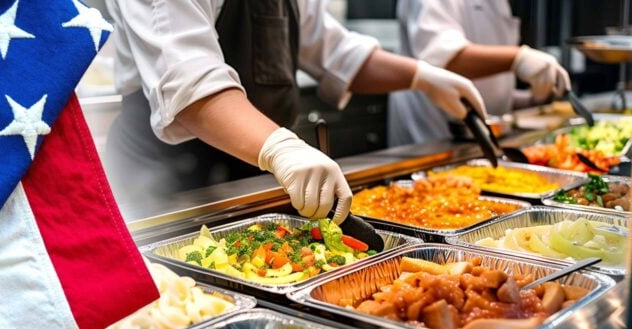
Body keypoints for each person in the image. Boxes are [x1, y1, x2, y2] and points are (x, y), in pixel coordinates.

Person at [104, 0, 485, 224]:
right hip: (165, 191)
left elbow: (334, 49)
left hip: (253, 182)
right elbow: (187, 80)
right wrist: (281, 148)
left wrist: (423, 77)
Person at [388, 0, 572, 147]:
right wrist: (517, 58)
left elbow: (488, 86)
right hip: (432, 135)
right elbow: (443, 58)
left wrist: (529, 100)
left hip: (484, 138)